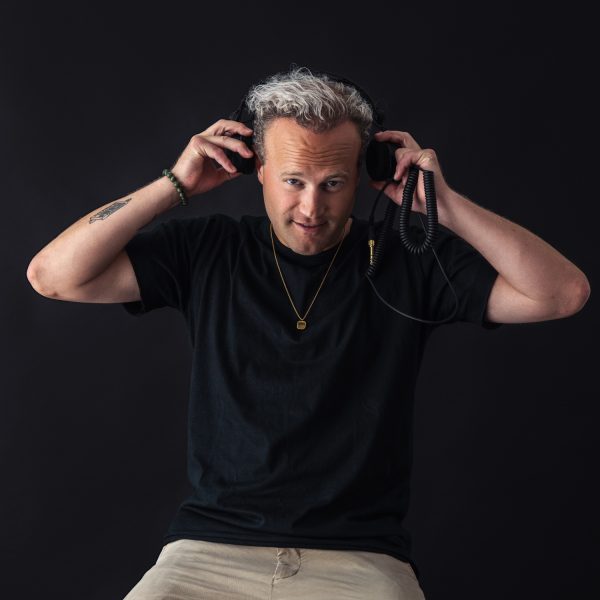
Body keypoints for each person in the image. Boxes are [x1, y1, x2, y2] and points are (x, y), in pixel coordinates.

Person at [26, 66, 590, 600]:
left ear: (363, 174)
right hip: (207, 553)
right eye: (293, 181)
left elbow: (561, 294)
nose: (311, 207)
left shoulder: (408, 259)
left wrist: (442, 205)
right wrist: (175, 184)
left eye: (333, 183)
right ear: (257, 169)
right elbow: (52, 277)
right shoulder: (209, 251)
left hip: (360, 560)